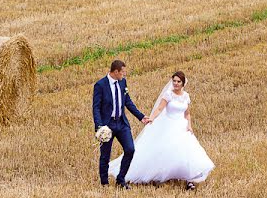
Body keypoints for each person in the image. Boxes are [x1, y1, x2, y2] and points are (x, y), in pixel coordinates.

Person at [109, 71, 214, 190]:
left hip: (182, 127)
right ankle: (160, 175)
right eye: (174, 81)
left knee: (187, 153)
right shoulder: (168, 95)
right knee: (165, 152)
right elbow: (159, 109)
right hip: (169, 126)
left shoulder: (186, 96)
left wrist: (189, 125)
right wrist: (151, 119)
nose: (176, 83)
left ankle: (189, 180)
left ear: (183, 83)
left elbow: (187, 114)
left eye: (178, 81)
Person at [92, 59, 151, 190]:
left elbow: (128, 102)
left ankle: (121, 179)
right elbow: (96, 108)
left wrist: (141, 117)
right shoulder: (100, 85)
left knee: (130, 149)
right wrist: (100, 127)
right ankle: (104, 183)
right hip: (107, 125)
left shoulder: (122, 82)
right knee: (105, 155)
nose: (124, 75)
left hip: (121, 123)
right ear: (115, 71)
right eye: (122, 73)